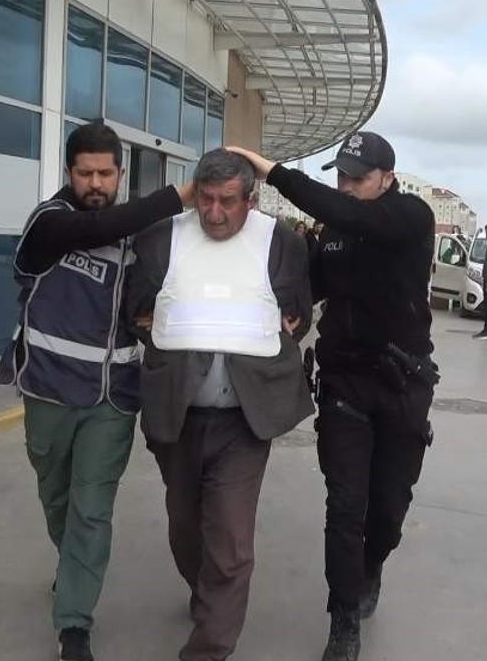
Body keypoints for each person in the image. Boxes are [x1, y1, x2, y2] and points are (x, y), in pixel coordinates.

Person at [227, 133, 438, 661]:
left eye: (357, 178)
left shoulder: (410, 217)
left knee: (388, 510)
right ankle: (343, 618)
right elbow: (311, 287)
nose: (345, 187)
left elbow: (353, 215)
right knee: (344, 506)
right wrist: (284, 313)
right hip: (345, 383)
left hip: (403, 384)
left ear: (388, 178)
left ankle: (372, 566)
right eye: (340, 176)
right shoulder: (335, 233)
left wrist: (272, 171)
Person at [0, 121, 194, 661]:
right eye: (86, 173)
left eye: (106, 173)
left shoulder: (140, 240)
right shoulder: (50, 222)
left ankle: (74, 624)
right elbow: (93, 228)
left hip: (113, 399)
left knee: (91, 508)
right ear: (69, 172)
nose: (97, 183)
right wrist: (179, 195)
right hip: (49, 391)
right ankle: (73, 567)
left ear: (120, 174)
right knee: (56, 497)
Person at [126, 149, 314, 661]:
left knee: (229, 541)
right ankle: (206, 593)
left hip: (243, 422)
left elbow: (297, 314)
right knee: (185, 527)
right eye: (205, 200)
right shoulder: (162, 238)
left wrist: (285, 325)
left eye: (227, 201)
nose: (214, 213)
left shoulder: (282, 243)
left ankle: (209, 647)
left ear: (250, 200)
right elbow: (135, 311)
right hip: (178, 414)